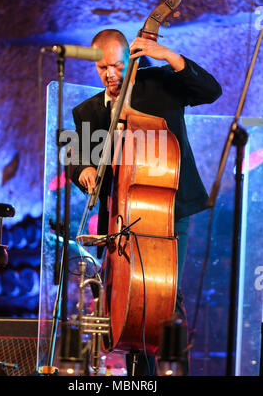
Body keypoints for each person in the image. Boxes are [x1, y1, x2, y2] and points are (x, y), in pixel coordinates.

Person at [71, 29, 222, 375]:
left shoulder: (158, 83)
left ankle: (170, 371)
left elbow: (211, 91)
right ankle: (142, 378)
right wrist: (84, 170)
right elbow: (75, 158)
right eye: (102, 68)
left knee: (165, 301)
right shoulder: (89, 111)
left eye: (117, 66)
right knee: (128, 307)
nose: (110, 75)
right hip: (120, 223)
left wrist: (166, 53)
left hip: (167, 212)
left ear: (131, 59)